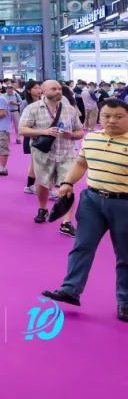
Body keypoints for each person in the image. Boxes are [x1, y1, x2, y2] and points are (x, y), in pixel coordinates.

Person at [42, 99, 128, 322]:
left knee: (125, 255)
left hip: (124, 204)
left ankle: (125, 301)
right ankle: (70, 290)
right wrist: (67, 182)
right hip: (92, 201)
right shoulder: (91, 138)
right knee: (81, 247)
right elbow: (81, 163)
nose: (111, 120)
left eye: (119, 116)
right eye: (106, 116)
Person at [19, 80, 84, 235]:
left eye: (59, 88)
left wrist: (71, 135)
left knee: (67, 186)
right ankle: (43, 209)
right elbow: (22, 130)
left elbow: (80, 132)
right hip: (43, 154)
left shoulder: (70, 109)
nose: (58, 91)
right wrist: (44, 131)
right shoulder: (32, 108)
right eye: (53, 89)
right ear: (43, 91)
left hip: (66, 153)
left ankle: (66, 222)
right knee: (43, 184)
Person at [21, 79, 43, 194]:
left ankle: (35, 185)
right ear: (29, 90)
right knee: (35, 161)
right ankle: (31, 185)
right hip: (32, 135)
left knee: (38, 162)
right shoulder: (25, 103)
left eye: (39, 87)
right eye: (35, 88)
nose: (39, 90)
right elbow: (23, 123)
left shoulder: (44, 101)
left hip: (44, 134)